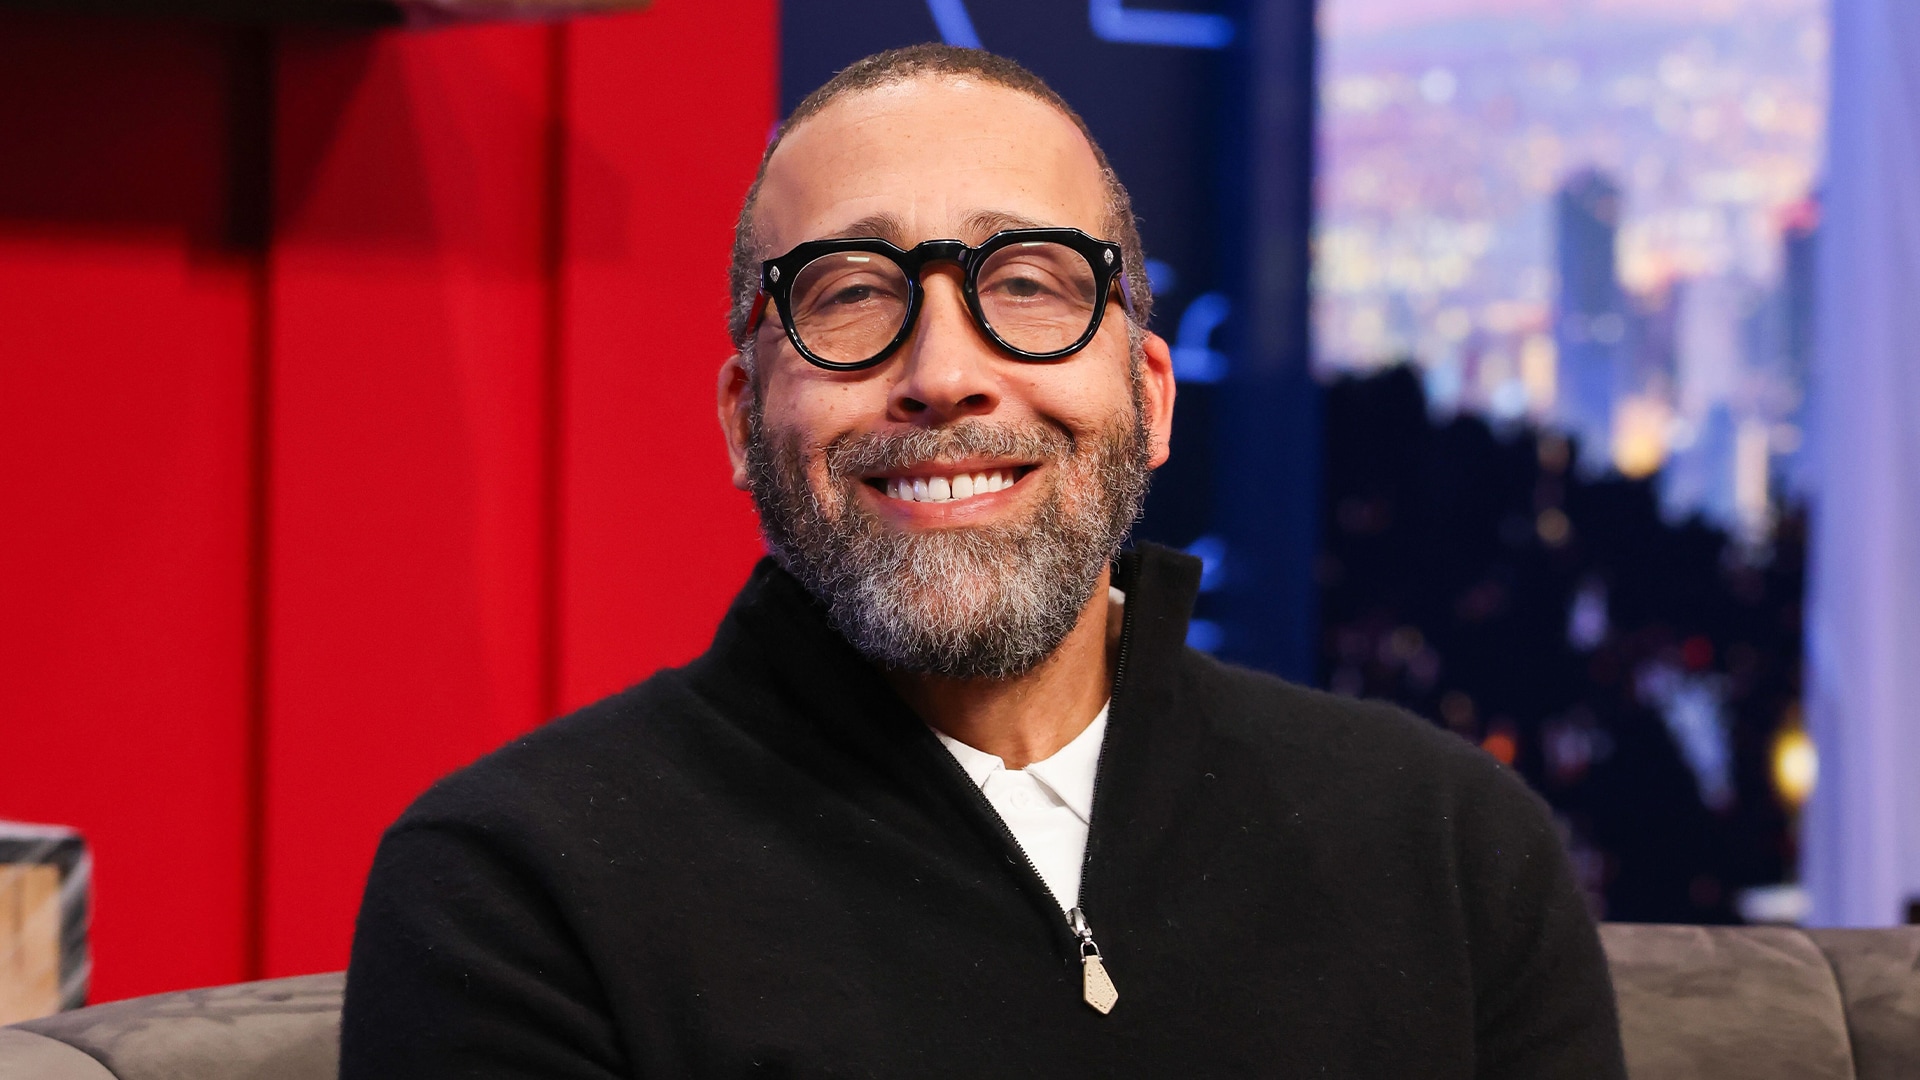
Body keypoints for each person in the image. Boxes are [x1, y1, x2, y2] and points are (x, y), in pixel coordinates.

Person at [340, 44, 1626, 1078]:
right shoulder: (515, 888)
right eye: (850, 292)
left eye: (1028, 283)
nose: (945, 373)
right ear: (742, 417)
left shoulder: (1450, 849)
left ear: (1151, 397)